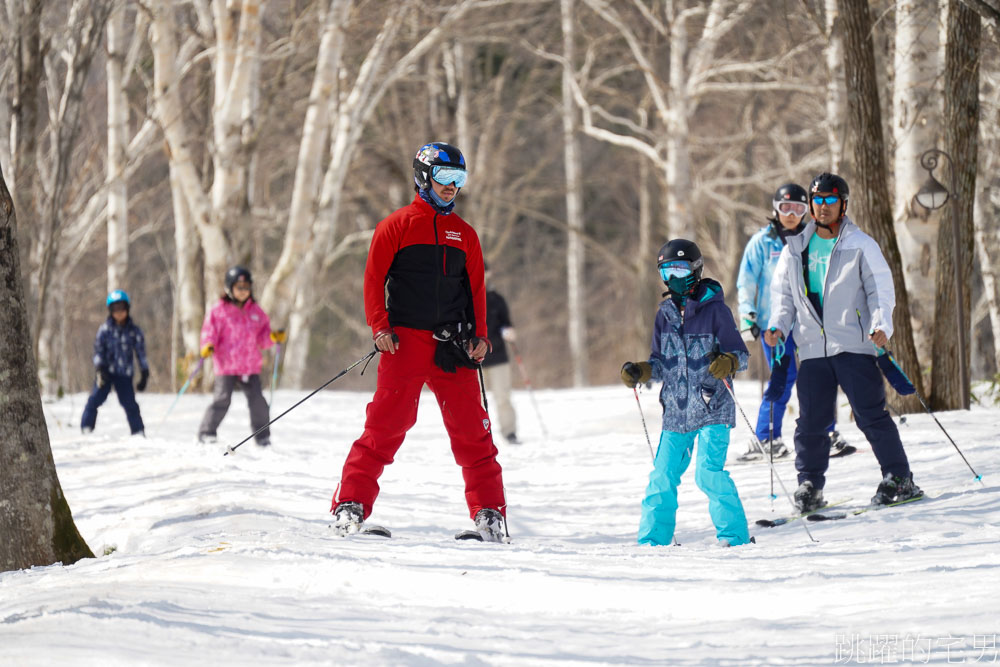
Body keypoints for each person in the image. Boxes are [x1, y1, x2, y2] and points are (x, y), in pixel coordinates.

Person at [330, 141, 508, 542]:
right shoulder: (396, 226)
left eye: (459, 180)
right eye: (445, 178)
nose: (452, 187)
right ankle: (351, 504)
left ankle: (490, 513)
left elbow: (476, 289)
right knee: (385, 426)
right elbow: (374, 281)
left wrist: (481, 336)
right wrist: (380, 328)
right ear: (423, 177)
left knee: (473, 433)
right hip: (404, 344)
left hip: (454, 348)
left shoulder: (465, 236)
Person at [765, 173, 922, 511]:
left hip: (854, 345)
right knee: (811, 422)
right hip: (811, 349)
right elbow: (783, 298)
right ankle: (809, 485)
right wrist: (777, 326)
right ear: (810, 205)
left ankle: (899, 477)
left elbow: (879, 290)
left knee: (870, 415)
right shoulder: (794, 250)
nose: (823, 207)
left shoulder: (860, 244)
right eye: (817, 201)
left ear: (843, 205)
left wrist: (881, 326)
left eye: (830, 201)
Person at [620, 239, 751, 547]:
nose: (673, 278)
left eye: (679, 269)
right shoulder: (663, 315)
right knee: (661, 476)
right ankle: (652, 540)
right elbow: (660, 363)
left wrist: (728, 361)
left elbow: (741, 355)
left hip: (712, 407)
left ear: (695, 269)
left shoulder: (716, 311)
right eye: (666, 271)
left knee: (708, 474)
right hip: (676, 411)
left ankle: (734, 536)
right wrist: (641, 370)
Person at [736, 183, 852, 461]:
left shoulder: (815, 238)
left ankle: (827, 432)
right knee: (783, 378)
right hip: (773, 324)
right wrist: (747, 317)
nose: (791, 214)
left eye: (798, 208)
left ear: (806, 210)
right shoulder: (762, 242)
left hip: (809, 321)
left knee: (819, 376)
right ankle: (766, 437)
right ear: (775, 209)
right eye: (785, 208)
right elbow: (746, 281)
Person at [197, 266, 285, 447]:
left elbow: (263, 338)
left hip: (249, 366)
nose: (244, 292)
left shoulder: (256, 312)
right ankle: (207, 432)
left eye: (247, 287)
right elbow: (209, 331)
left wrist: (273, 337)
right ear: (230, 288)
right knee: (222, 400)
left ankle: (263, 436)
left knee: (258, 401)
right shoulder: (219, 311)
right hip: (226, 365)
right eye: (239, 287)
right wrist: (207, 345)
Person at [81, 289, 149, 436]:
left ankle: (138, 431)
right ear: (110, 310)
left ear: (127, 308)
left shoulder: (134, 331)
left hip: (125, 374)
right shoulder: (104, 330)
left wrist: (144, 372)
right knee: (95, 399)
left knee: (130, 403)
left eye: (122, 308)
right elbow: (98, 351)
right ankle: (86, 427)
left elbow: (141, 353)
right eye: (115, 308)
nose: (119, 312)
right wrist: (99, 368)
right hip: (105, 372)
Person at [482, 263, 519, 444]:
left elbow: (506, 322)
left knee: (503, 397)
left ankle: (509, 432)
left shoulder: (496, 299)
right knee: (474, 401)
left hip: (498, 355)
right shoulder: (464, 297)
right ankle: (475, 435)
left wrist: (508, 331)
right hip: (473, 358)